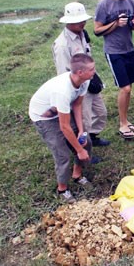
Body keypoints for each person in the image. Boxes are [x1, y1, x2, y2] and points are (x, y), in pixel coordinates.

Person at [29, 54, 97, 203]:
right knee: (63, 154)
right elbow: (64, 127)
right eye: (91, 69)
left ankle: (77, 175)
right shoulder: (62, 91)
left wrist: (80, 130)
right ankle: (62, 189)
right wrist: (79, 150)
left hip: (62, 111)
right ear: (80, 72)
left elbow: (77, 105)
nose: (94, 71)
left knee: (87, 142)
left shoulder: (85, 81)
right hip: (44, 118)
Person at [52, 2, 110, 150]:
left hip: (89, 81)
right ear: (68, 22)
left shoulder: (82, 34)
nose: (82, 23)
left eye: (83, 20)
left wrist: (93, 78)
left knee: (101, 112)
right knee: (83, 120)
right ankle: (83, 150)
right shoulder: (62, 45)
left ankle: (93, 137)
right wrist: (76, 92)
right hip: (78, 86)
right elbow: (63, 73)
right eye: (77, 21)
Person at [94, 0, 134, 139]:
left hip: (128, 48)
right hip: (114, 51)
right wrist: (115, 24)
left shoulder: (131, 2)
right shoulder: (104, 5)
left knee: (129, 88)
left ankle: (126, 120)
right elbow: (97, 30)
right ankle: (122, 124)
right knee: (125, 88)